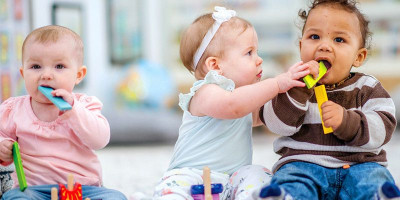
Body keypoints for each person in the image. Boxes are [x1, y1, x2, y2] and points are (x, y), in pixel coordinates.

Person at [152, 6, 312, 200]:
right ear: (215, 66)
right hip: (194, 175)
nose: (259, 60)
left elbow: (267, 114)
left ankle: (260, 196)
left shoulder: (242, 99)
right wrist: (277, 83)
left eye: (257, 51)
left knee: (258, 173)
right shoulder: (206, 92)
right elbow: (233, 106)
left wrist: (294, 92)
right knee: (174, 184)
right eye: (249, 53)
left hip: (233, 179)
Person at [259, 0, 400, 199]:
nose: (324, 46)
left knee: (373, 178)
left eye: (339, 40)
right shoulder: (291, 83)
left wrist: (347, 121)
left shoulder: (367, 87)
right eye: (314, 37)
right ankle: (285, 195)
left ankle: (378, 195)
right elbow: (276, 125)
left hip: (358, 165)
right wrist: (298, 92)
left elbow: (384, 128)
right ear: (301, 46)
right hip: (303, 165)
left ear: (358, 57)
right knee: (291, 179)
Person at [0, 25, 126, 200]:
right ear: (23, 73)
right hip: (34, 190)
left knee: (116, 197)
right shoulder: (13, 110)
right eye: (36, 66)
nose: (46, 75)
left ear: (79, 74)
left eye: (59, 66)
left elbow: (100, 140)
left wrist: (74, 110)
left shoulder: (85, 105)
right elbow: (2, 137)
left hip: (84, 188)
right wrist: (3, 147)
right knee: (13, 198)